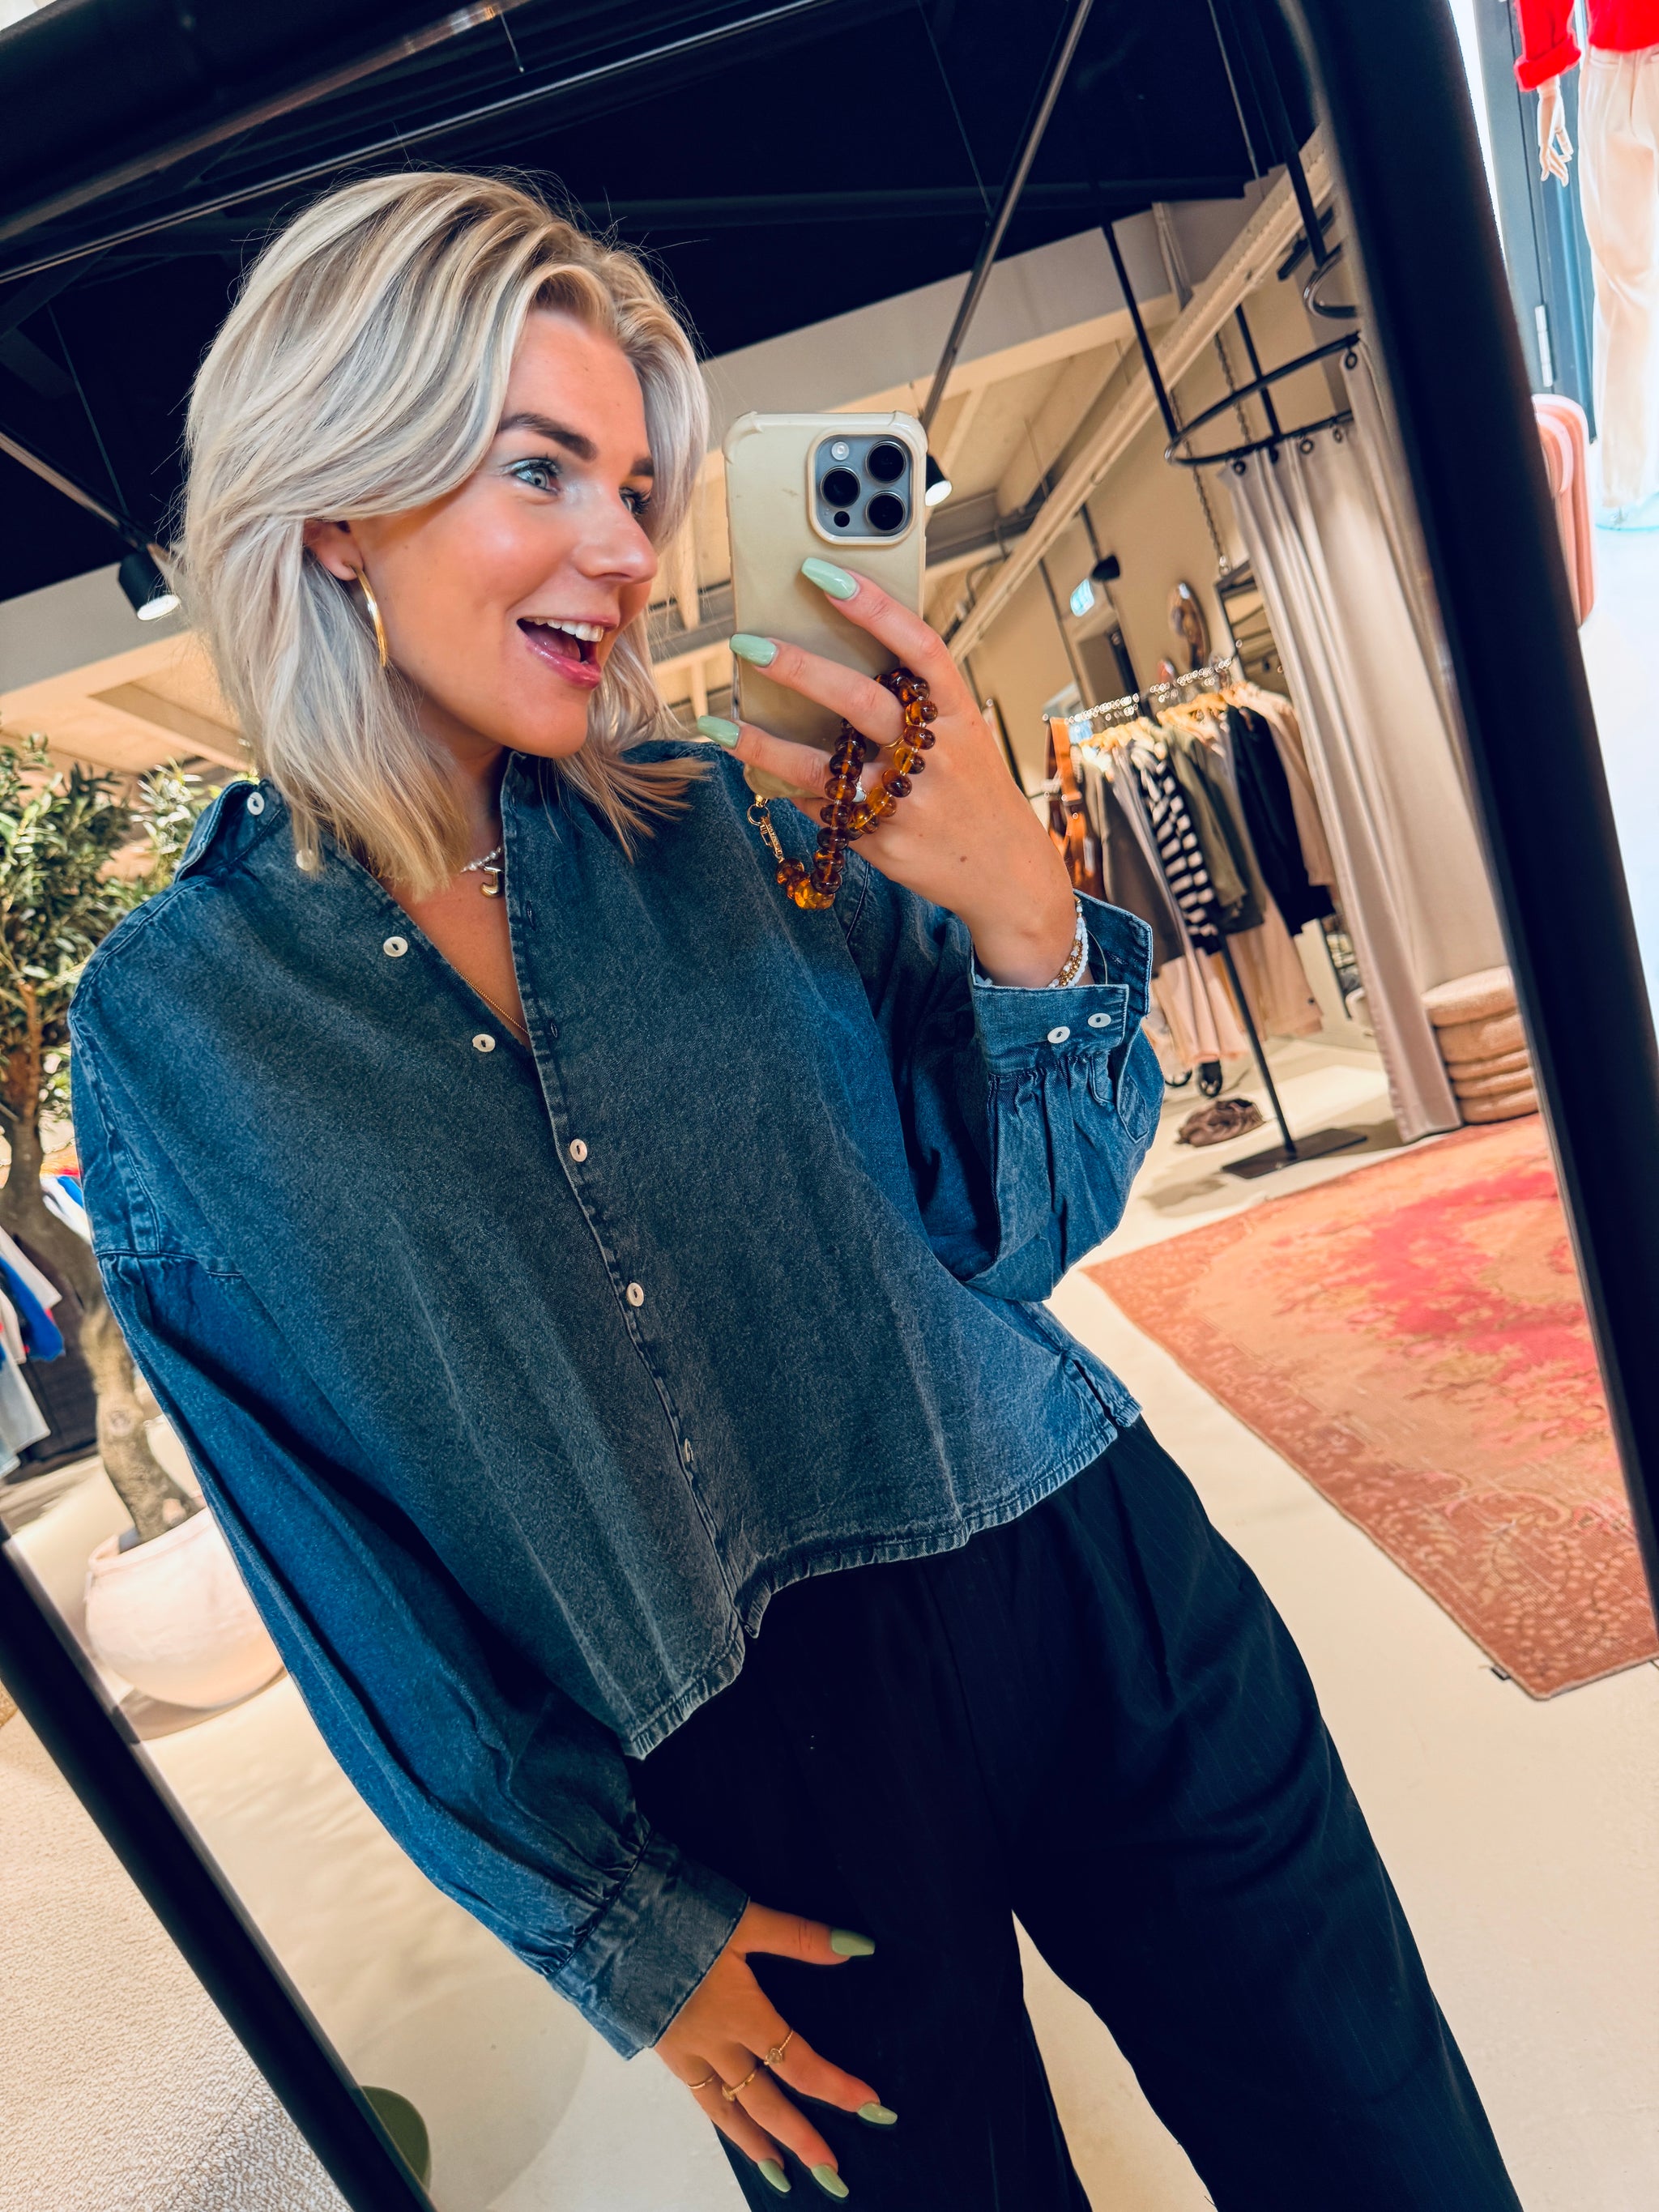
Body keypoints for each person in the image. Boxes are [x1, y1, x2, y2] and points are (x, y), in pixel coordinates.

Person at [69, 172, 1521, 2209]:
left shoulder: (752, 823)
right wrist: (613, 1932)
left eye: (638, 486)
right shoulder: (175, 1030)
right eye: (538, 469)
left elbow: (1014, 1235)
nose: (623, 547)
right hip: (745, 1781)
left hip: (1095, 1586)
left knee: (1388, 2159)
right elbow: (334, 1558)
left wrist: (1021, 906)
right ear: (333, 506)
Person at [1520, 0, 1659, 523]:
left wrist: (1549, 84)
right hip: (1607, 65)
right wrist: (1548, 84)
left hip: (1608, 62)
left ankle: (1627, 487)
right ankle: (1626, 486)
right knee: (1622, 291)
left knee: (1623, 293)